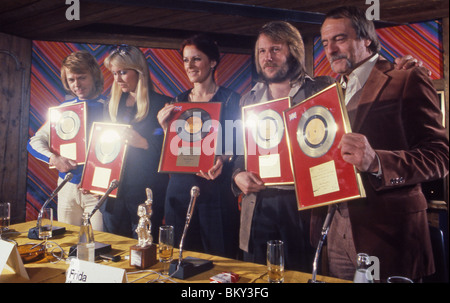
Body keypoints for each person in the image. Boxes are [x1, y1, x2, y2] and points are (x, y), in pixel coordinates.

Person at [232, 20, 426, 272]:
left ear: (294, 50)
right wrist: (237, 176)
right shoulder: (248, 98)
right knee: (258, 276)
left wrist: (404, 66)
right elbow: (239, 154)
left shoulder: (323, 88)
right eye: (262, 51)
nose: (268, 57)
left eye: (276, 49)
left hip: (305, 207)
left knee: (302, 273)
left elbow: (365, 78)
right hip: (258, 204)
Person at [312, 6, 449, 281]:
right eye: (325, 43)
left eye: (339, 39)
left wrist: (377, 162)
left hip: (390, 233)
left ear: (367, 40)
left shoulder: (406, 77)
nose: (330, 49)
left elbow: (440, 156)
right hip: (334, 230)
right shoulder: (327, 93)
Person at [157, 34, 241, 258]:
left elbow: (238, 144)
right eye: (185, 60)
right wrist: (165, 128)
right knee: (180, 256)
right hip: (180, 188)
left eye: (196, 59)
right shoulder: (177, 101)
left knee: (220, 257)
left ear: (212, 62)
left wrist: (222, 159)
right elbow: (174, 148)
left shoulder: (232, 100)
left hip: (216, 189)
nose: (190, 66)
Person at [27, 50, 106, 230]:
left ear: (94, 75)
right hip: (66, 187)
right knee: (68, 244)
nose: (76, 84)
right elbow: (34, 142)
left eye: (82, 77)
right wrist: (54, 159)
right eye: (71, 80)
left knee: (100, 245)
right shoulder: (63, 110)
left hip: (97, 191)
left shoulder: (111, 107)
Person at [102, 45, 170, 240]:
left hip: (146, 190)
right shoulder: (111, 104)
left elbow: (172, 153)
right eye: (114, 73)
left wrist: (144, 143)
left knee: (144, 250)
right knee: (112, 249)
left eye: (123, 72)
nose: (118, 79)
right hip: (114, 191)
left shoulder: (162, 103)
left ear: (139, 71)